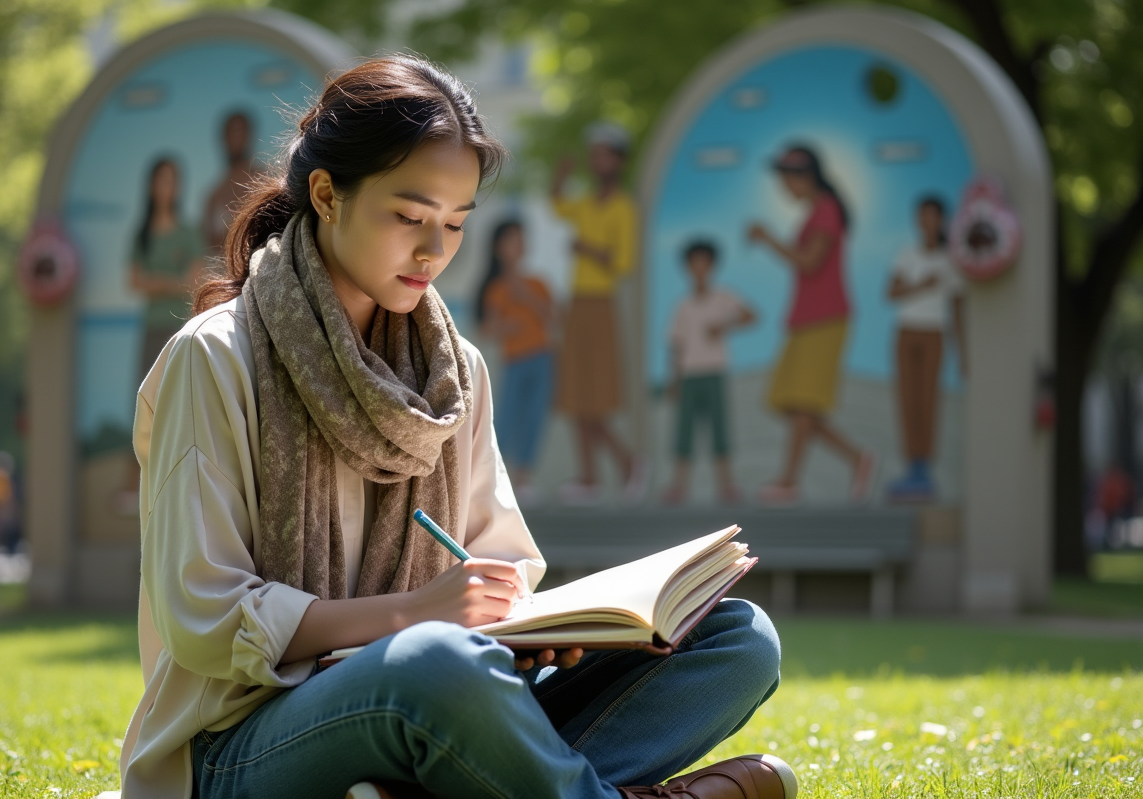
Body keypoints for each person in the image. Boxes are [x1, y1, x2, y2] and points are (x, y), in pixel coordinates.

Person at [119, 56, 791, 799]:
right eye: (409, 217)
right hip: (239, 747)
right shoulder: (215, 357)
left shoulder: (454, 373)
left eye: (455, 224)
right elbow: (204, 617)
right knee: (433, 663)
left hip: (443, 694)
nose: (434, 250)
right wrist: (411, 615)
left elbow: (501, 560)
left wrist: (540, 626)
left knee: (738, 638)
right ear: (327, 195)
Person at [746, 145, 874, 506]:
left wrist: (768, 238)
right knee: (786, 400)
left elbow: (810, 262)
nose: (784, 186)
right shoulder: (816, 211)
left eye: (787, 177)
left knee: (802, 402)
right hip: (805, 318)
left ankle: (788, 481)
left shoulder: (827, 210)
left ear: (805, 175)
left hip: (827, 316)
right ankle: (857, 458)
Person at [551, 123, 647, 505]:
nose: (597, 161)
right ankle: (593, 476)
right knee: (576, 394)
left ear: (620, 161)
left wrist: (586, 249)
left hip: (602, 303)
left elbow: (622, 263)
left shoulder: (624, 207)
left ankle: (626, 463)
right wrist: (560, 176)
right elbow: (558, 205)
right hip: (578, 301)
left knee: (593, 395)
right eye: (595, 154)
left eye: (605, 154)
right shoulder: (587, 201)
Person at [116, 157, 204, 515]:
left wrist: (158, 282)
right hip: (150, 329)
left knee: (181, 402)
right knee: (143, 401)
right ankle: (134, 485)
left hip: (180, 329)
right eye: (160, 180)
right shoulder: (141, 234)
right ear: (151, 186)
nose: (166, 187)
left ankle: (180, 482)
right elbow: (135, 282)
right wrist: (172, 281)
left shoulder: (189, 233)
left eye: (172, 180)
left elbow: (193, 281)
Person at [885, 196, 966, 501]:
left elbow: (958, 309)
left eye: (933, 216)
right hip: (907, 331)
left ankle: (924, 469)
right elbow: (891, 292)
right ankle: (911, 466)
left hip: (935, 333)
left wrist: (963, 354)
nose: (927, 222)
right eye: (922, 216)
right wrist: (922, 285)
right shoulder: (907, 254)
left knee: (928, 399)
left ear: (942, 220)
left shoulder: (950, 260)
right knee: (907, 398)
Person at [663, 240, 756, 505]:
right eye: (695, 263)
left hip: (714, 372)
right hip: (690, 375)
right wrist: (674, 380)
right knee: (684, 432)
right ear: (687, 268)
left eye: (705, 263)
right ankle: (679, 485)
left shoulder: (723, 297)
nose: (700, 269)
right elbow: (676, 346)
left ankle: (726, 485)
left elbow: (751, 315)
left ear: (713, 266)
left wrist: (724, 326)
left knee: (719, 429)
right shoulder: (682, 306)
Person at [479, 220, 555, 505]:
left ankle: (524, 479)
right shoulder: (496, 289)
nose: (519, 245)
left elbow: (553, 317)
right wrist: (507, 326)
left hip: (543, 358)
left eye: (522, 239)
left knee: (534, 418)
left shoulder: (537, 283)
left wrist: (527, 298)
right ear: (499, 248)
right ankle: (499, 478)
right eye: (513, 240)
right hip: (514, 361)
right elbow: (489, 327)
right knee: (507, 417)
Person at [202, 110, 264, 255]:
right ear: (223, 138)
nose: (236, 138)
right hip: (228, 274)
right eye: (231, 132)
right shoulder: (213, 197)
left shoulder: (266, 182)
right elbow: (210, 248)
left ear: (250, 136)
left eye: (241, 131)